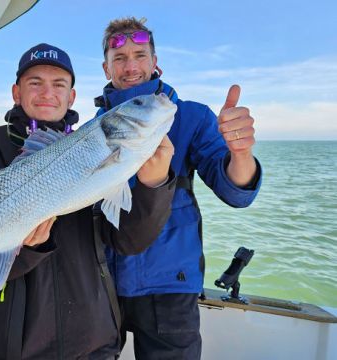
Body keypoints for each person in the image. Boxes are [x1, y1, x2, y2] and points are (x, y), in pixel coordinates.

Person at [0, 43, 177, 359]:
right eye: (35, 83)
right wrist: (29, 249)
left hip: (94, 344)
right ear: (16, 92)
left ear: (72, 96)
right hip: (12, 348)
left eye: (59, 84)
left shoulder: (101, 149)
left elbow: (128, 241)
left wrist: (154, 185)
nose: (47, 93)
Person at [95, 18, 262, 359]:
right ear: (106, 67)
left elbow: (236, 192)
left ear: (155, 61)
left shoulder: (190, 117)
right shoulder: (91, 131)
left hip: (169, 286)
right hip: (101, 285)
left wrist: (241, 153)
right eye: (120, 58)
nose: (131, 66)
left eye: (140, 55)